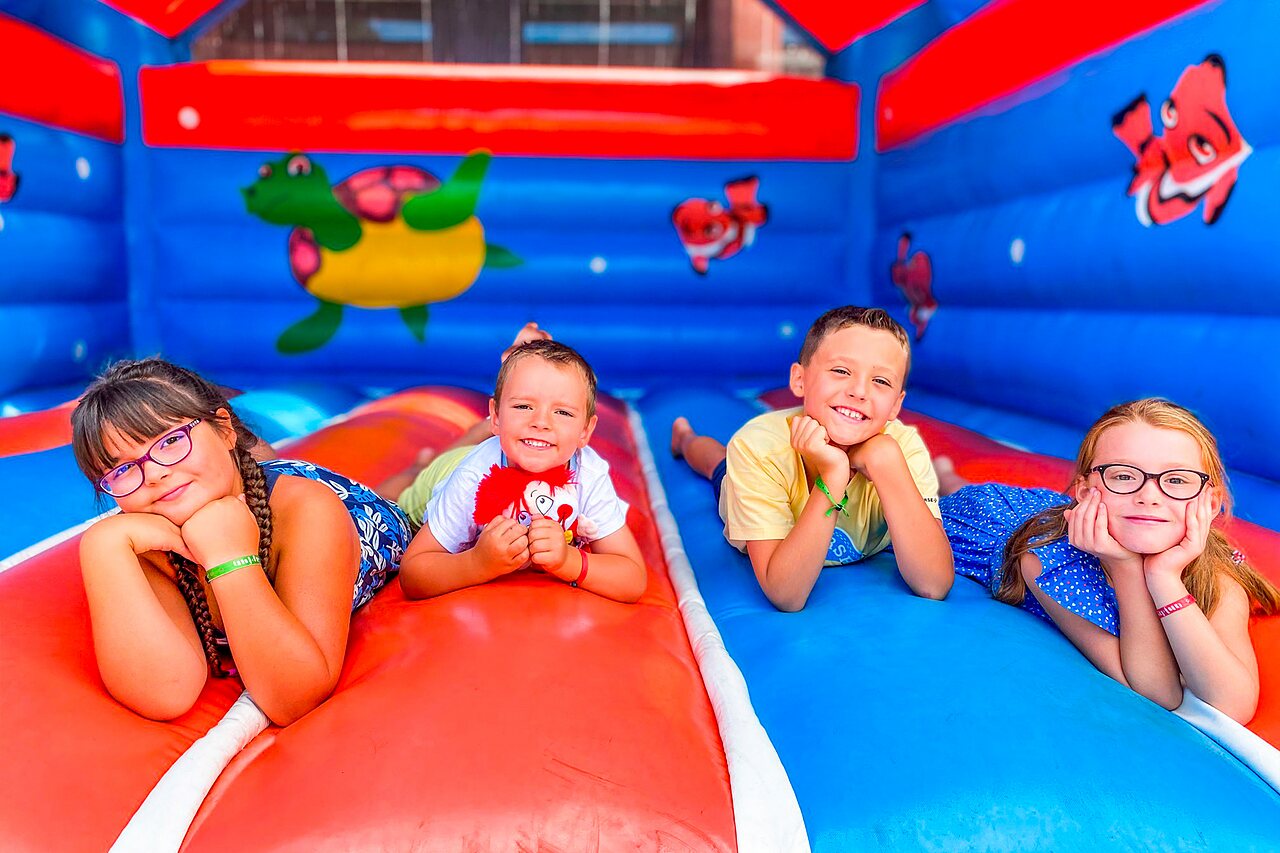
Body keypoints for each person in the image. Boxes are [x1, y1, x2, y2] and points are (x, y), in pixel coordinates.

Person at [72, 357, 411, 725]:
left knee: (407, 496)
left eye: (171, 441)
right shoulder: (144, 538)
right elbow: (166, 693)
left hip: (362, 516)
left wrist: (229, 558)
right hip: (241, 479)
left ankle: (415, 470)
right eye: (122, 469)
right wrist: (102, 547)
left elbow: (295, 698)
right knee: (246, 469)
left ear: (224, 428)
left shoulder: (308, 511)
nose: (153, 473)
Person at [938, 398, 1280, 723]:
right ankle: (944, 477)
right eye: (1123, 476)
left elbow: (1232, 703)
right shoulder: (1045, 560)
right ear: (1086, 492)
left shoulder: (1214, 568)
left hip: (1072, 513)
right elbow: (1158, 692)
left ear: (1209, 501)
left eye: (1176, 480)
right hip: (987, 521)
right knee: (957, 493)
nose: (1148, 496)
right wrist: (1127, 567)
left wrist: (1164, 576)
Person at [671, 306, 953, 611]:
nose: (859, 391)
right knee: (718, 462)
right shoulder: (759, 450)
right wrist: (834, 474)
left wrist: (885, 462)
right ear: (799, 379)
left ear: (896, 405)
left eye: (881, 381)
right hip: (750, 481)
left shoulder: (900, 447)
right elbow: (786, 593)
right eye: (841, 371)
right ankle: (685, 438)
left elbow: (933, 583)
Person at [398, 339, 646, 603]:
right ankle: (418, 466)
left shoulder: (588, 474)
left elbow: (632, 578)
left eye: (562, 412)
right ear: (495, 416)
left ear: (585, 431)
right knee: (401, 496)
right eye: (523, 406)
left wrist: (570, 561)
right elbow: (413, 574)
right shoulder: (471, 477)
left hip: (500, 448)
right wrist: (476, 564)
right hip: (445, 473)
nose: (540, 422)